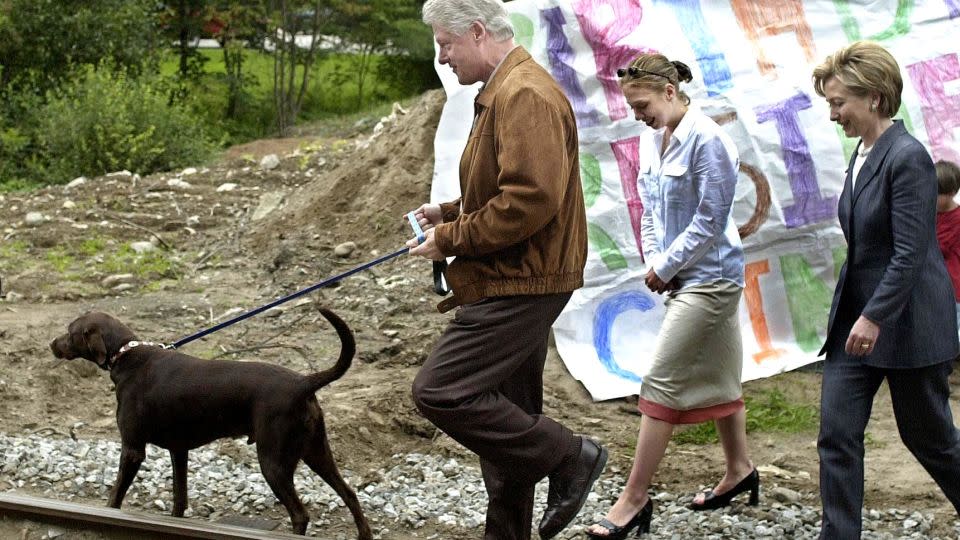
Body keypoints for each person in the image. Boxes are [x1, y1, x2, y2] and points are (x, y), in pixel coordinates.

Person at [407, 1, 606, 539]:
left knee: (442, 389)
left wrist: (452, 237)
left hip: (522, 280)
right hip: (518, 273)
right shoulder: (505, 90)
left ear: (476, 32)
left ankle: (571, 457)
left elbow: (530, 199)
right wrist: (448, 212)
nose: (443, 58)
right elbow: (504, 186)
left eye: (446, 44)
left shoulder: (523, 94)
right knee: (509, 415)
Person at [586, 53, 755, 538]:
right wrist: (655, 260)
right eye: (632, 107)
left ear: (669, 92)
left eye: (642, 104)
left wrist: (668, 265)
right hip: (682, 276)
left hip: (713, 279)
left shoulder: (710, 141)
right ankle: (740, 469)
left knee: (658, 381)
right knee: (723, 378)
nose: (638, 114)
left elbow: (711, 218)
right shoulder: (649, 139)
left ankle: (634, 499)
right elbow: (649, 208)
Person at [812, 41, 960, 539]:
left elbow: (911, 253)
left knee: (930, 439)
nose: (833, 114)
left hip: (908, 324)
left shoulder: (908, 156)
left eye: (838, 103)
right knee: (836, 436)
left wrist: (874, 316)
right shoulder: (863, 153)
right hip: (854, 325)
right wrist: (861, 316)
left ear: (874, 97)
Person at [935, 159, 960, 328]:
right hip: (935, 290)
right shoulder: (929, 214)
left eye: (938, 193)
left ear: (951, 192)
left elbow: (939, 246)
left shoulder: (958, 219)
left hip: (955, 292)